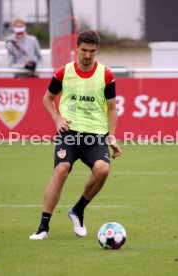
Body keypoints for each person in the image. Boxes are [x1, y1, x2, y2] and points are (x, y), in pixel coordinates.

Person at [29, 30, 122, 240]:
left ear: (97, 50)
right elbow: (47, 99)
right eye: (83, 50)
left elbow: (112, 108)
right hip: (68, 133)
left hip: (95, 135)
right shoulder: (63, 72)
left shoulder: (106, 75)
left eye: (92, 51)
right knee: (61, 170)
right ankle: (43, 227)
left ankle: (78, 210)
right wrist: (57, 118)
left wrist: (112, 136)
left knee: (103, 169)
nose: (87, 55)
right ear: (77, 49)